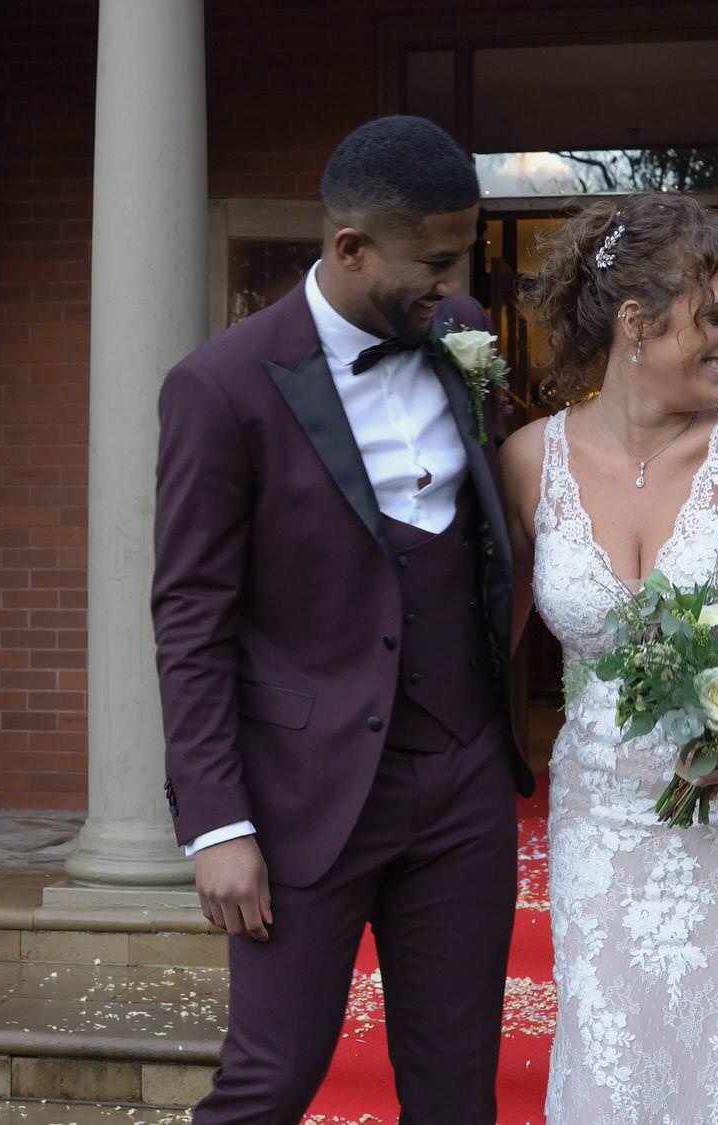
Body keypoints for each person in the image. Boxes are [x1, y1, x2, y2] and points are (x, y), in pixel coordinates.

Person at [152, 115, 533, 1125]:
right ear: (350, 249)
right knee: (270, 1081)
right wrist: (215, 824)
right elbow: (189, 617)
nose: (452, 287)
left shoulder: (462, 345)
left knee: (455, 1084)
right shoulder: (218, 388)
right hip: (301, 798)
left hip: (460, 783)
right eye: (436, 263)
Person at [497, 192, 718, 1123]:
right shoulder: (531, 461)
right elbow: (491, 636)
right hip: (606, 817)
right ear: (635, 323)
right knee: (616, 1061)